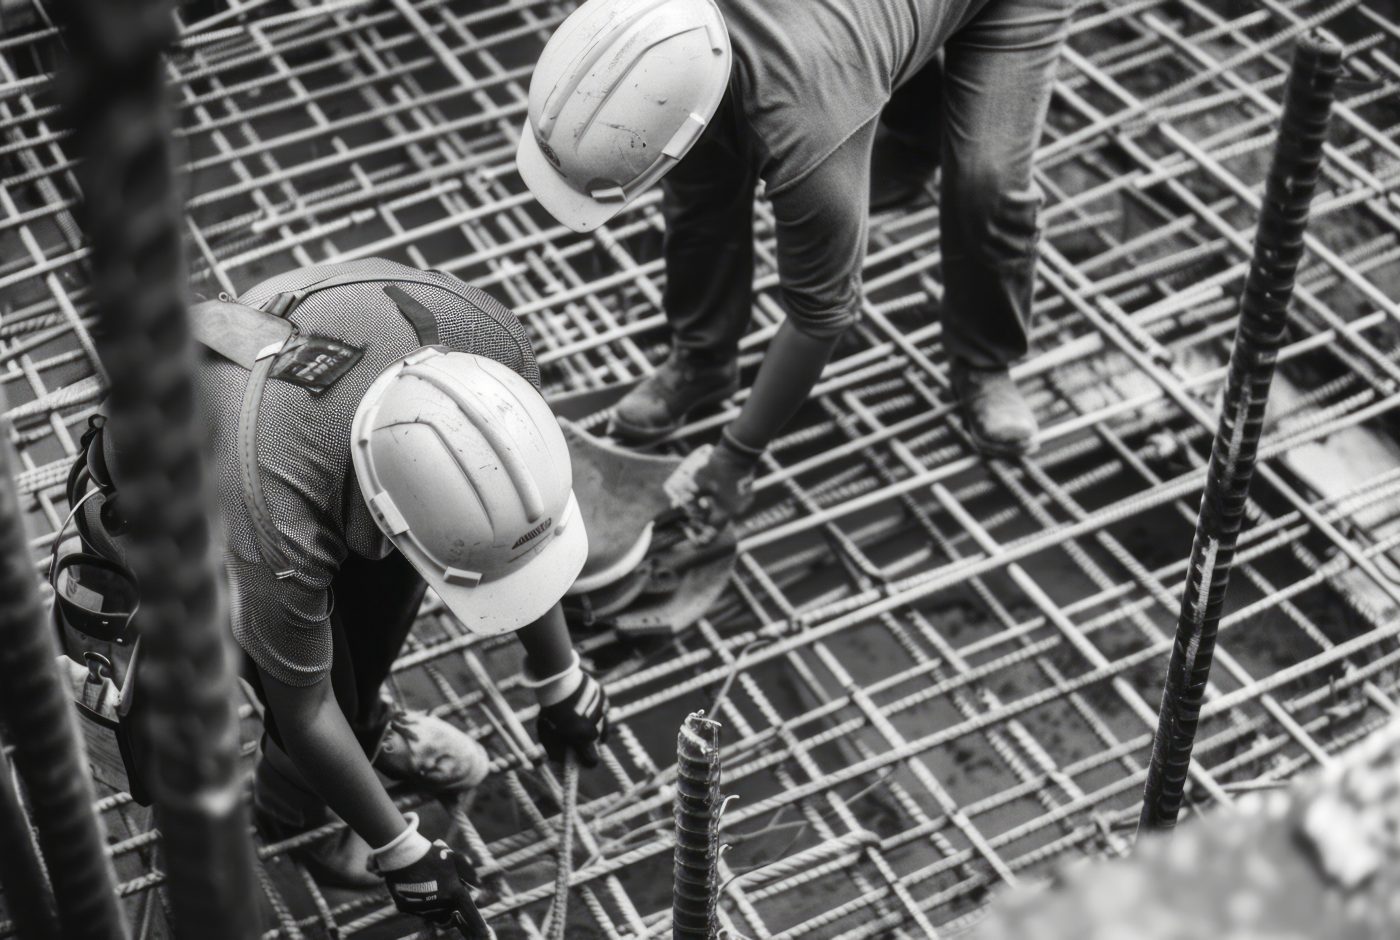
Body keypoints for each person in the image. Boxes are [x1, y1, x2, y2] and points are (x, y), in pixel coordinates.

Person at [72, 259, 609, 937]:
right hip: (186, 514)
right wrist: (402, 849)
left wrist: (560, 675)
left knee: (383, 621)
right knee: (328, 693)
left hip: (308, 458)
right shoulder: (271, 515)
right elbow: (306, 707)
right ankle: (297, 817)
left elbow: (507, 531)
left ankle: (369, 733)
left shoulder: (491, 348)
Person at [517, 0, 1077, 525]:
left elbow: (821, 317)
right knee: (699, 182)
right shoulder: (656, 33)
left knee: (987, 184)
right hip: (828, 37)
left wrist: (737, 456)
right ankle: (703, 359)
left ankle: (984, 363)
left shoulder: (808, 122)